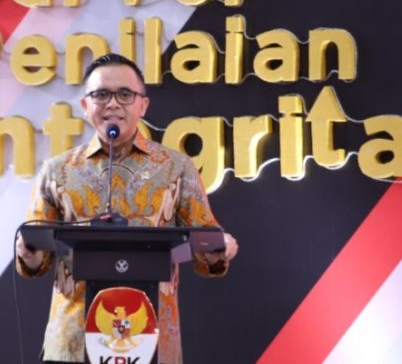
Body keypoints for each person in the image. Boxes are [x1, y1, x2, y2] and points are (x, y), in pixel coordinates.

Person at [16, 53, 238, 364]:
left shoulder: (177, 167)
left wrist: (218, 249)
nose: (113, 104)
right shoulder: (57, 170)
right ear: (85, 105)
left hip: (152, 338)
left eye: (124, 94)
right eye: (101, 94)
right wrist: (28, 254)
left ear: (143, 105)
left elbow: (206, 252)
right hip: (72, 343)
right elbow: (35, 260)